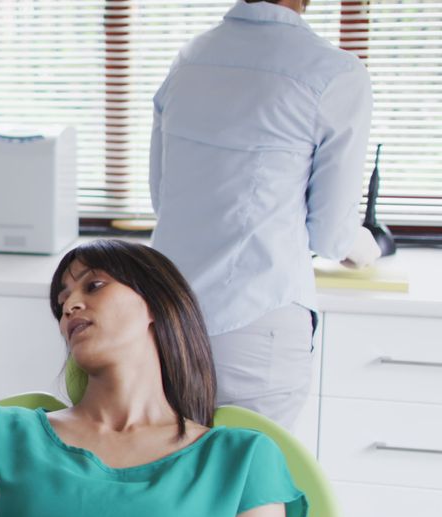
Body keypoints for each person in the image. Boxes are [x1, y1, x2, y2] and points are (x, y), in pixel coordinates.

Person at [0, 239, 307, 517]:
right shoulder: (1, 435)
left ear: (156, 303)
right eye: (61, 302)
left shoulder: (242, 461)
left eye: (94, 285)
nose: (70, 305)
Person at [148, 0, 381, 429]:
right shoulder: (334, 73)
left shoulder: (189, 59)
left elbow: (163, 197)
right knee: (251, 487)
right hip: (255, 323)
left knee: (172, 481)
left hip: (166, 321)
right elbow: (330, 235)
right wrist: (368, 248)